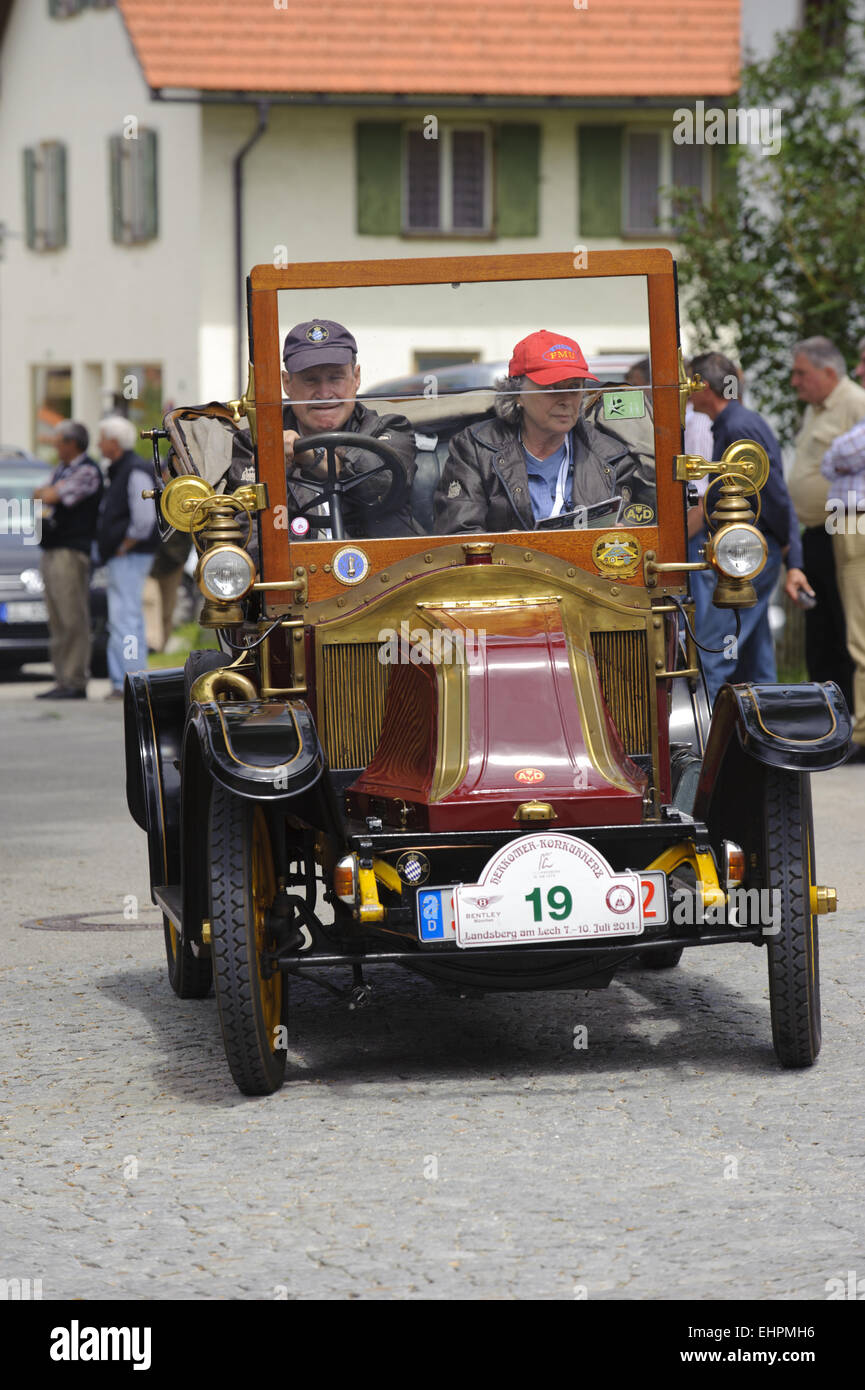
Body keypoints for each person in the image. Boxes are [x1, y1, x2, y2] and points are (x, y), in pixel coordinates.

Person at [433, 330, 655, 533]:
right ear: (517, 394)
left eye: (574, 387)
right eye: (552, 388)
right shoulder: (474, 448)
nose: (566, 400)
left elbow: (637, 530)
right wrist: (509, 550)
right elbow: (459, 535)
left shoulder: (611, 457)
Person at [687, 351, 812, 704]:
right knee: (755, 656)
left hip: (748, 554)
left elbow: (776, 497)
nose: (685, 391)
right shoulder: (733, 424)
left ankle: (709, 747)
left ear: (705, 387)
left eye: (689, 384)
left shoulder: (738, 427)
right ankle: (772, 740)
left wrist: (794, 560)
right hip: (750, 551)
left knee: (714, 652)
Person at [231, 319, 417, 537]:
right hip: (296, 568)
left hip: (387, 566)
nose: (325, 393)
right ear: (286, 383)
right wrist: (274, 463)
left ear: (356, 378)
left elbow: (381, 484)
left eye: (335, 378)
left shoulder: (390, 428)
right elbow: (249, 530)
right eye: (311, 380)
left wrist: (310, 455)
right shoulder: (255, 443)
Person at [786, 337, 865, 706]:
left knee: (845, 627)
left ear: (828, 372)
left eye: (802, 373)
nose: (794, 381)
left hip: (847, 529)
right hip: (815, 535)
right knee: (818, 629)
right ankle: (827, 717)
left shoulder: (855, 403)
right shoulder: (815, 409)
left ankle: (851, 717)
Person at [33, 420, 103, 700]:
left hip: (70, 552)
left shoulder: (86, 471)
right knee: (57, 617)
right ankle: (62, 677)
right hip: (52, 550)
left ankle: (74, 679)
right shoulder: (64, 470)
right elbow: (39, 494)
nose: (56, 446)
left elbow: (48, 494)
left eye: (59, 441)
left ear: (72, 443)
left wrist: (48, 494)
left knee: (72, 616)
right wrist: (46, 494)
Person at [94, 416, 158, 699]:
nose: (98, 444)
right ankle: (129, 679)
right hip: (125, 556)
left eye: (102, 438)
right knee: (125, 617)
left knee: (125, 618)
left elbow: (144, 519)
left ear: (114, 443)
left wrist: (123, 545)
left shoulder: (133, 470)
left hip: (129, 556)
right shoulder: (122, 470)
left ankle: (129, 683)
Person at [821, 412, 865, 760]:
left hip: (857, 525)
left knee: (860, 637)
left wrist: (837, 453)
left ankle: (863, 735)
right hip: (850, 523)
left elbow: (841, 454)